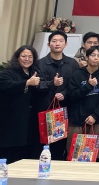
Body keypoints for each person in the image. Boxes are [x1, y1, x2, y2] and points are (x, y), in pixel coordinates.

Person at [33, 30, 79, 160]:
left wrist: (64, 93)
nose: (57, 44)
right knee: (42, 147)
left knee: (60, 147)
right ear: (49, 44)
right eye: (54, 41)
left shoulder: (72, 64)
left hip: (65, 111)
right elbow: (36, 85)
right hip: (44, 110)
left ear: (66, 44)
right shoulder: (40, 63)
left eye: (60, 41)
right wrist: (52, 84)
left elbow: (76, 85)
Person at [0, 45, 40, 163]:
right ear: (17, 57)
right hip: (11, 123)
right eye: (24, 56)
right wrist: (27, 83)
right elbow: (7, 86)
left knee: (25, 156)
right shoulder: (8, 72)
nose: (27, 59)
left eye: (30, 57)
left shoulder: (35, 73)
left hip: (28, 124)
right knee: (8, 156)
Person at [67, 45, 99, 149]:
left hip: (95, 121)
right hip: (77, 120)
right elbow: (72, 96)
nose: (96, 58)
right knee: (73, 152)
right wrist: (88, 86)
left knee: (91, 152)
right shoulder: (77, 74)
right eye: (93, 55)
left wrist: (95, 115)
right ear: (87, 57)